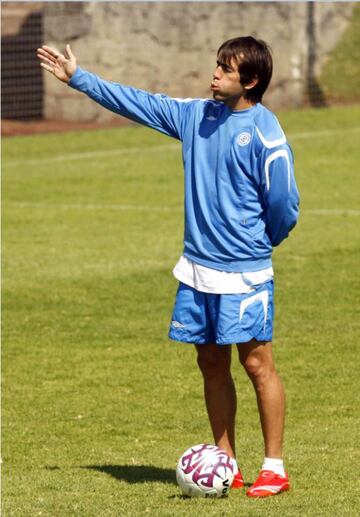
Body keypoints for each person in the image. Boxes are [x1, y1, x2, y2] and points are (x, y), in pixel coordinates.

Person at [37, 36, 299, 497]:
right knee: (210, 363)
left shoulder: (265, 132)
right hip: (197, 269)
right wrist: (79, 79)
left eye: (226, 68)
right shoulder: (194, 115)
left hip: (244, 273)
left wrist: (259, 244)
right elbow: (138, 103)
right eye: (216, 64)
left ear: (251, 80)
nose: (215, 73)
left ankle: (274, 467)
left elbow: (284, 205)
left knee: (257, 364)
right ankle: (226, 462)